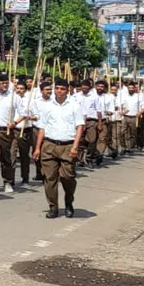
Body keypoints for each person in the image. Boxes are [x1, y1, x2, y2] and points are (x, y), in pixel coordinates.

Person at [35, 77, 84, 219]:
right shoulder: (48, 106)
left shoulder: (74, 105)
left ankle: (69, 201)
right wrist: (37, 148)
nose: (59, 91)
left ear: (67, 90)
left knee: (68, 177)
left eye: (62, 89)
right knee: (49, 178)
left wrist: (75, 146)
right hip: (49, 145)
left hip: (67, 145)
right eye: (57, 88)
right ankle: (53, 206)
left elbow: (80, 126)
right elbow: (42, 128)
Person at [13, 75, 35, 185]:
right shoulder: (11, 99)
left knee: (24, 156)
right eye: (17, 88)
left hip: (25, 130)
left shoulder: (30, 100)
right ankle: (10, 179)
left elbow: (35, 114)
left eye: (22, 88)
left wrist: (29, 117)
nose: (19, 90)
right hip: (13, 130)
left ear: (25, 90)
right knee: (11, 155)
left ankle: (25, 177)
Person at [78, 77, 101, 168]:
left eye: (86, 86)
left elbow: (99, 111)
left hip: (91, 121)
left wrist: (99, 123)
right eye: (83, 86)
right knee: (80, 140)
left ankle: (89, 158)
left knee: (92, 140)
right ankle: (80, 159)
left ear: (89, 87)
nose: (84, 88)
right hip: (79, 120)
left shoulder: (94, 97)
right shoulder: (76, 96)